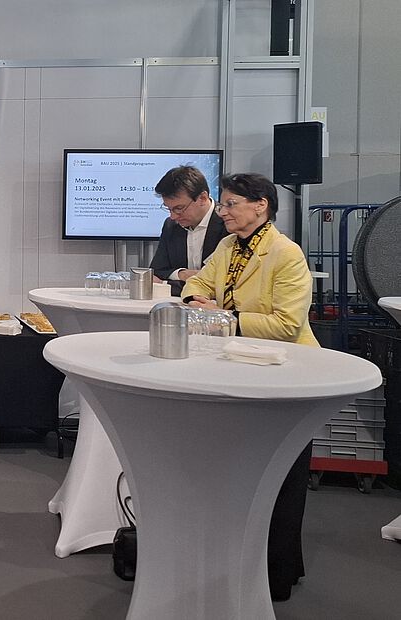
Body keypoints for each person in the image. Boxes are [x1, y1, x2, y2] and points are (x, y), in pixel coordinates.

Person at [182, 172, 317, 601]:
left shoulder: (286, 254)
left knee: (281, 475)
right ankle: (235, 565)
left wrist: (223, 317)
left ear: (261, 205)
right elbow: (198, 283)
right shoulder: (227, 246)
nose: (222, 212)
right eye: (222, 205)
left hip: (284, 375)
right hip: (238, 367)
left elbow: (285, 324)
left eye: (230, 204)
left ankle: (277, 572)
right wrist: (192, 301)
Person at [149, 165, 228, 296]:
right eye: (169, 209)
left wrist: (170, 283)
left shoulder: (228, 222)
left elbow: (222, 282)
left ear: (202, 198)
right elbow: (157, 272)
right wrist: (183, 274)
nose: (173, 216)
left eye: (179, 208)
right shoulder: (171, 225)